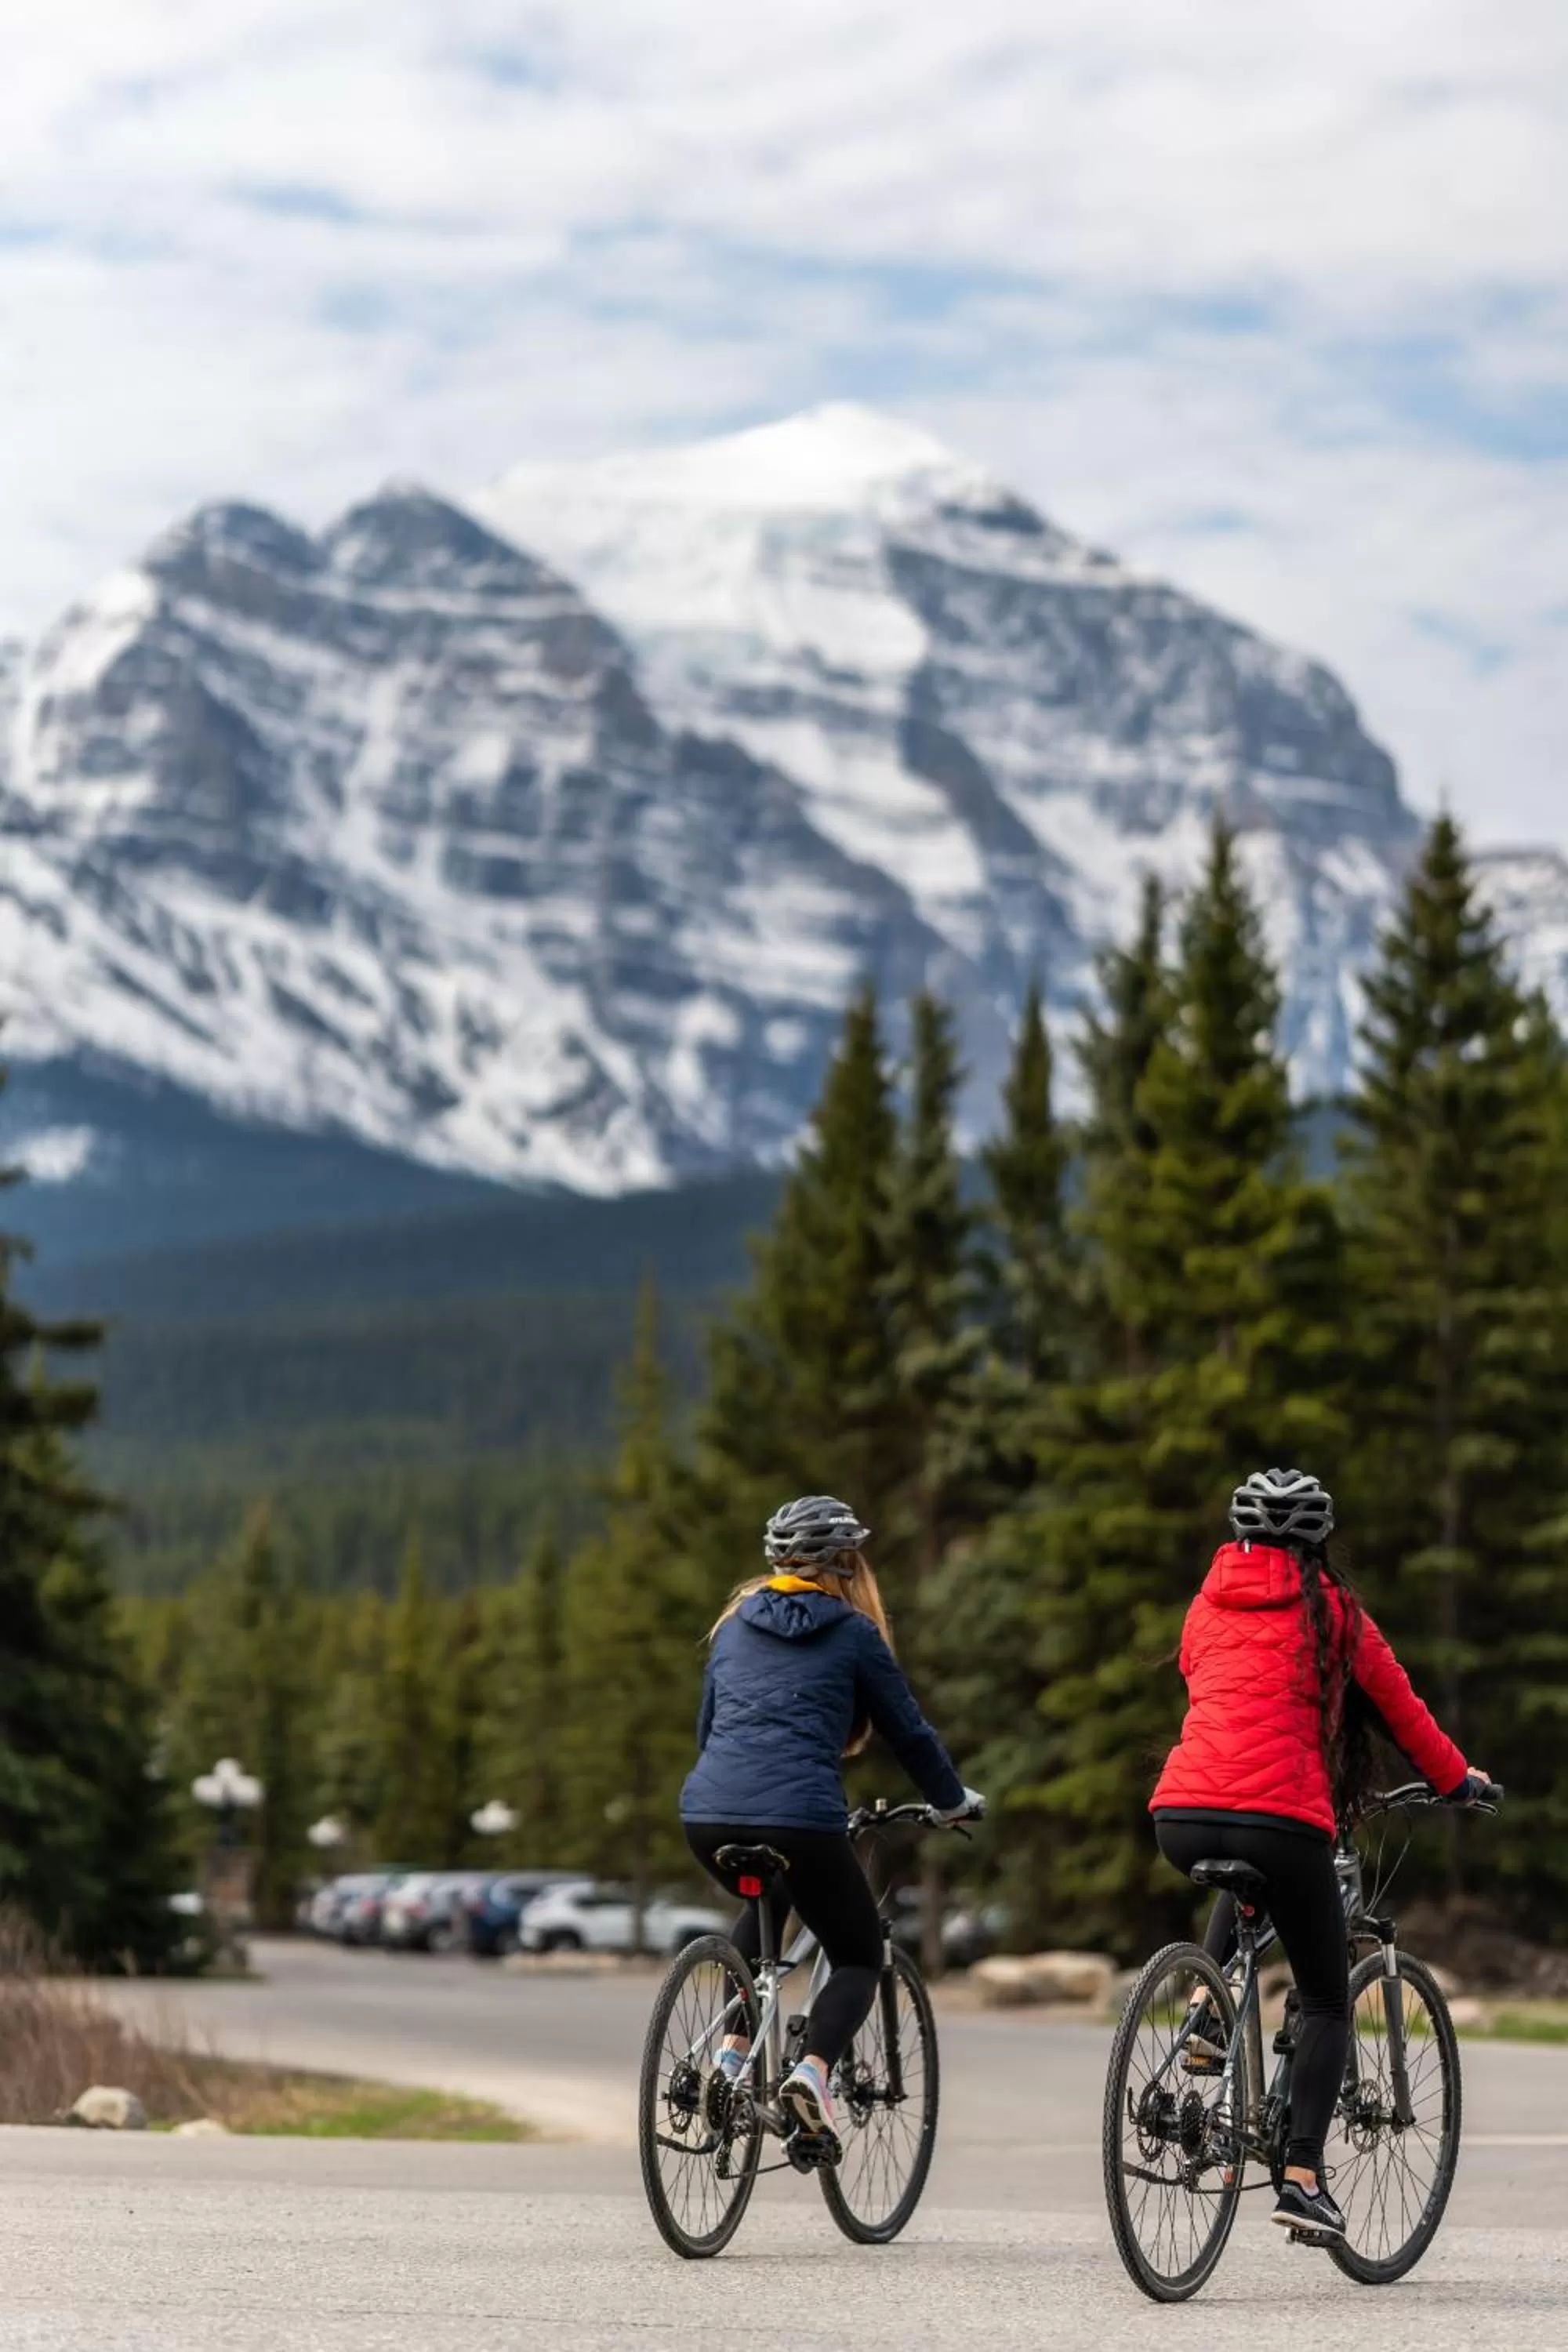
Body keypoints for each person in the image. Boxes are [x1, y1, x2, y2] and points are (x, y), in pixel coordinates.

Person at [1150, 1466, 1491, 2242]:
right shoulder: (1335, 1615)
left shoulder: (1204, 1607)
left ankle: (1206, 2007)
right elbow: (1401, 1714)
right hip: (1283, 1821)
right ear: (1318, 1544)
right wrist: (1457, 1783)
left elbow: (1211, 1690)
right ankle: (1301, 2178)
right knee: (1328, 2001)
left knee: (1241, 1869)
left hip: (1179, 1815)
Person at [681, 1494, 983, 2143]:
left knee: (768, 1901)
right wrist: (953, 1800)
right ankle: (812, 2075)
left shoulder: (734, 1625)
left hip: (706, 1813)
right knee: (858, 1951)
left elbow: (709, 1728)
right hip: (799, 1816)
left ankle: (730, 2060)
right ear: (848, 1565)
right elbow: (909, 1733)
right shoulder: (854, 1633)